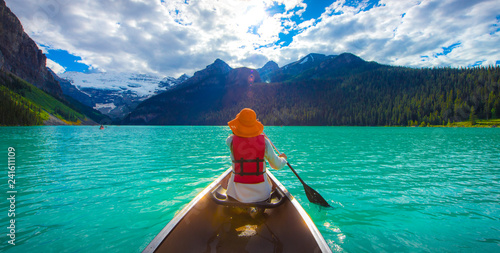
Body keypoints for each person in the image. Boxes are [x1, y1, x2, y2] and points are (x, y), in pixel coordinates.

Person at [226, 108, 288, 203]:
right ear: (254, 126)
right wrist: (283, 159)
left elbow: (236, 135)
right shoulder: (265, 143)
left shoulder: (230, 141)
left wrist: (248, 125)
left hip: (235, 196)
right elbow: (276, 165)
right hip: (261, 197)